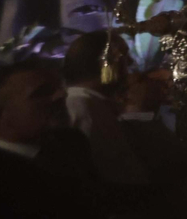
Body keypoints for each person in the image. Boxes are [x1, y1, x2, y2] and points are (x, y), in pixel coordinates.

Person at [0, 61, 99, 219]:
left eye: (59, 87)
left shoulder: (72, 143)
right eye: (42, 92)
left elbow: (99, 197)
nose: (62, 95)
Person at [62, 30, 150, 189]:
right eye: (123, 57)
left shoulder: (93, 104)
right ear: (106, 63)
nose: (129, 63)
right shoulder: (82, 106)